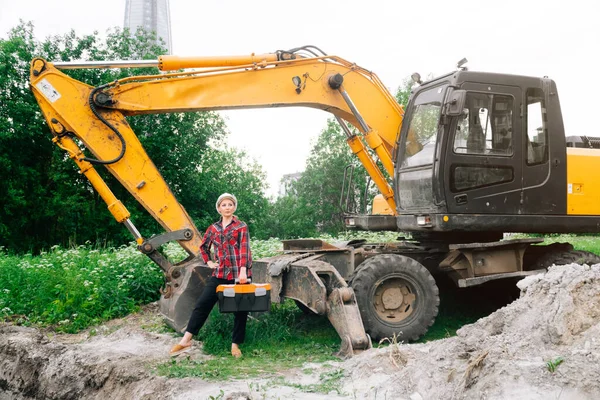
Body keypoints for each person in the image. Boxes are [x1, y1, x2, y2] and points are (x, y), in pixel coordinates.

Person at [169, 193, 252, 358]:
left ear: (234, 207)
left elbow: (244, 249)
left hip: (239, 274)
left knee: (240, 310)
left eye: (230, 204)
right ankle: (186, 340)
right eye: (224, 205)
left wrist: (243, 270)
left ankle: (235, 345)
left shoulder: (241, 226)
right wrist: (208, 262)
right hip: (220, 273)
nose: (227, 207)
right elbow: (203, 247)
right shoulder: (213, 228)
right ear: (219, 208)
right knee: (202, 304)